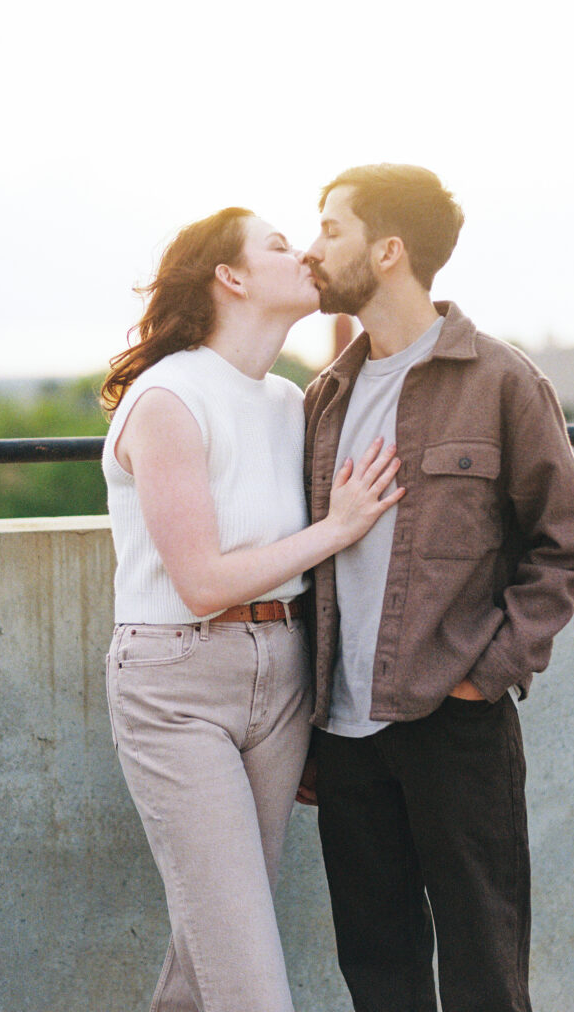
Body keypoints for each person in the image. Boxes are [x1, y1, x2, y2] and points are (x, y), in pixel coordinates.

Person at [297, 165, 574, 1012]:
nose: (313, 248)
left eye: (332, 228)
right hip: (345, 736)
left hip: (455, 726)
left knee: (483, 975)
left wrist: (486, 674)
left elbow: (566, 546)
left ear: (389, 250)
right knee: (378, 971)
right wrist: (309, 716)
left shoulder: (501, 380)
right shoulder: (327, 394)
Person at [99, 206, 404, 1012]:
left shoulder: (286, 402)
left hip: (282, 676)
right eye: (277, 245)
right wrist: (337, 529)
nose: (302, 251)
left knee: (211, 963)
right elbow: (201, 580)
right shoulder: (167, 397)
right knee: (248, 979)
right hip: (177, 682)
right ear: (229, 277)